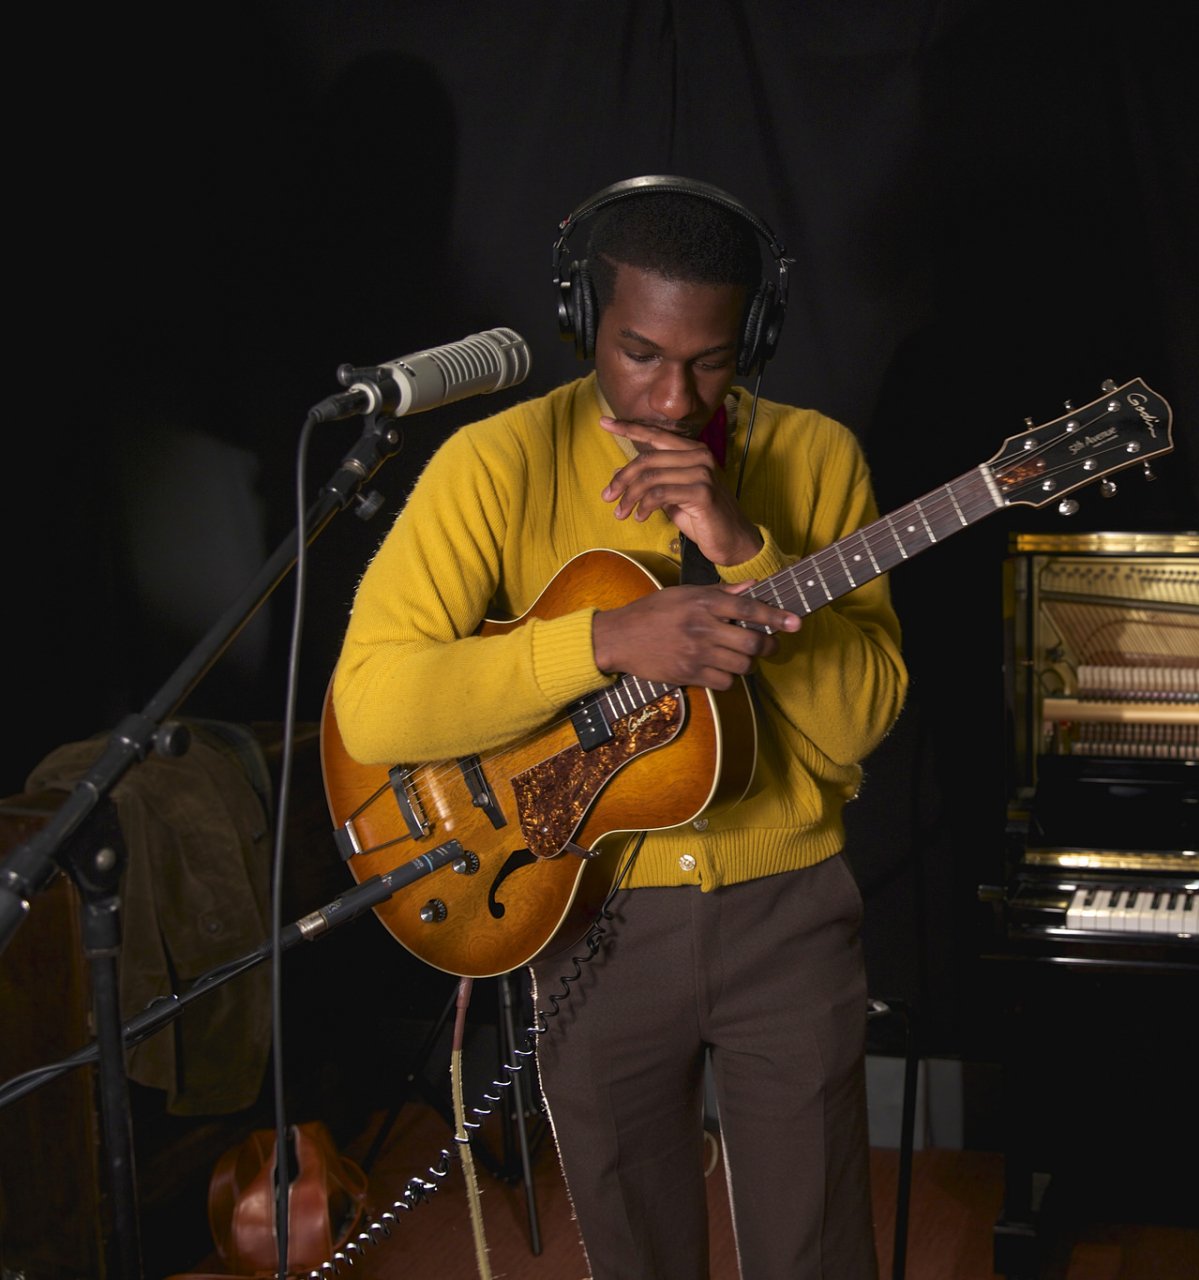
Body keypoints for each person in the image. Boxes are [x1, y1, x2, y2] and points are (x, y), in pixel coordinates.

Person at [326, 175, 907, 1279]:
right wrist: (599, 642)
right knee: (636, 1255)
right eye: (640, 353)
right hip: (588, 914)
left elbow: (857, 727)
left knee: (818, 1253)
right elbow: (375, 700)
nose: (673, 397)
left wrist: (743, 545)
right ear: (583, 318)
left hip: (786, 915)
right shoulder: (496, 463)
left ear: (755, 338)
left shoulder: (819, 457)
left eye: (712, 360)